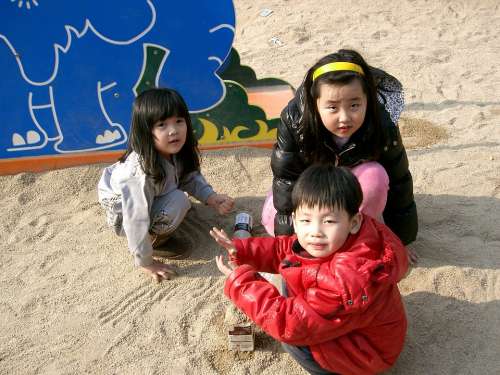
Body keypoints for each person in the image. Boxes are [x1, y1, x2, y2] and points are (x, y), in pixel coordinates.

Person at [211, 164, 409, 375]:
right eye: (306, 220)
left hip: (366, 355)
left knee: (293, 341)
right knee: (293, 263)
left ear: (354, 222)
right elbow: (284, 248)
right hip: (366, 331)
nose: (315, 231)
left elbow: (289, 324)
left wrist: (242, 282)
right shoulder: (351, 235)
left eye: (329, 221)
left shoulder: (346, 281)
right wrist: (242, 250)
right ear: (295, 220)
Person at [262, 49, 417, 250]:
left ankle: (356, 238)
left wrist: (401, 242)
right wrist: (288, 243)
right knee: (270, 219)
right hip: (311, 185)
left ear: (367, 100)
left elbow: (399, 182)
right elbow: (286, 180)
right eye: (332, 108)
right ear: (314, 103)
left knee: (375, 176)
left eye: (354, 105)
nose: (344, 118)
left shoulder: (382, 124)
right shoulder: (295, 123)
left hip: (352, 186)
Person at [98, 88, 234, 282]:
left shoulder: (174, 150)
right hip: (124, 214)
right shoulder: (139, 174)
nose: (173, 130)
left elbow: (189, 176)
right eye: (162, 125)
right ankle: (156, 240)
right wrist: (146, 262)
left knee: (178, 199)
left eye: (179, 121)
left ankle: (161, 215)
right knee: (179, 201)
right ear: (147, 131)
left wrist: (210, 197)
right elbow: (134, 219)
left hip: (150, 195)